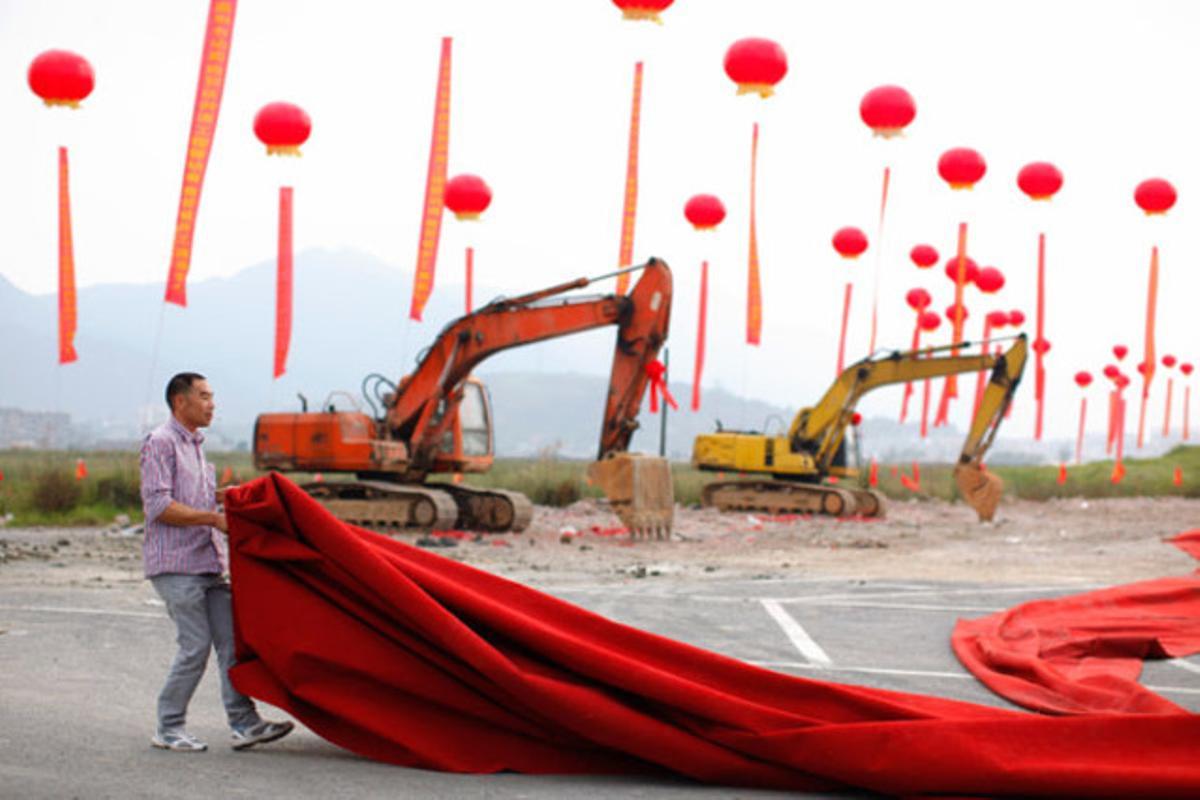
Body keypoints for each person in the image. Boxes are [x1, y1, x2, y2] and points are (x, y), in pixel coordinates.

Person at [139, 372, 293, 753]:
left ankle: (244, 723)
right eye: (204, 396)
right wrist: (212, 518)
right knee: (195, 646)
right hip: (176, 566)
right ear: (180, 402)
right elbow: (159, 505)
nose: (212, 404)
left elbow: (196, 497)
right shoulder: (160, 443)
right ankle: (168, 726)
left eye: (212, 396)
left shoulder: (195, 445)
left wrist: (232, 499)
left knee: (231, 644)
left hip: (207, 563)